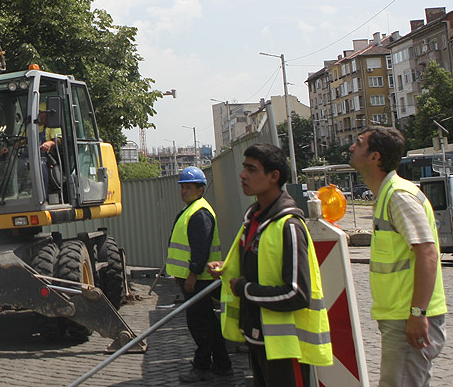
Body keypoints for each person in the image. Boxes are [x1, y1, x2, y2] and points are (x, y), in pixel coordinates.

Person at [208, 144, 332, 387]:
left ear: (274, 176)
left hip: (285, 350)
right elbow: (262, 266)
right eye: (244, 168)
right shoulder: (254, 220)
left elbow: (297, 293)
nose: (243, 175)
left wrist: (244, 288)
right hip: (257, 340)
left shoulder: (289, 226)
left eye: (252, 169)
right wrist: (227, 269)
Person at [348, 126, 446, 387]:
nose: (351, 147)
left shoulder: (398, 196)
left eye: (358, 143)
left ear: (374, 157)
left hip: (409, 317)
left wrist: (417, 313)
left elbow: (427, 253)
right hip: (400, 316)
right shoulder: (388, 194)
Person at [167, 166, 232, 382]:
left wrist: (193, 274)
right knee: (208, 322)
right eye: (182, 187)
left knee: (199, 324)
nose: (184, 191)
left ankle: (202, 366)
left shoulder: (200, 213)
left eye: (189, 187)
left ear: (201, 190)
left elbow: (200, 247)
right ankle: (222, 364)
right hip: (194, 278)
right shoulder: (193, 210)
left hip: (199, 279)